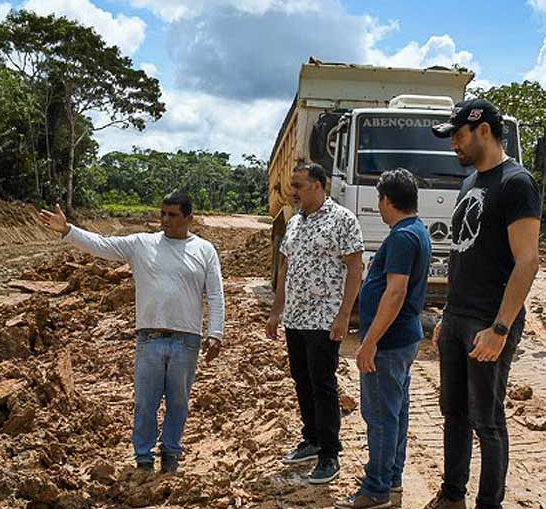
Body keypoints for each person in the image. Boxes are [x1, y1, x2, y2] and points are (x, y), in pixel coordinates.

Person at [402, 99, 541, 509]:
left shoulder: (517, 183)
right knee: (454, 413)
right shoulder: (470, 182)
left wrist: (500, 328)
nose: (455, 145)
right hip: (460, 317)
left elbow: (527, 262)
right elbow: (465, 254)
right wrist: (447, 315)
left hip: (489, 322)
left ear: (482, 130)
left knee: (488, 418)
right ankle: (452, 498)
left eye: (458, 135)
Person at [38, 192, 224, 473]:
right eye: (162, 213)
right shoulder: (141, 244)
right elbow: (101, 244)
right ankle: (144, 458)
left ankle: (171, 455)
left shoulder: (205, 250)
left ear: (189, 218)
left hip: (187, 340)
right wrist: (67, 230)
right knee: (145, 402)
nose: (165, 220)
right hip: (149, 338)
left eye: (172, 215)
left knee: (178, 402)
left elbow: (215, 293)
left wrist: (216, 332)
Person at [334, 169, 431, 509]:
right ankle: (391, 476)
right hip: (402, 337)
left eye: (380, 200)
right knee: (395, 411)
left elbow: (396, 291)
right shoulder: (415, 231)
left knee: (379, 414)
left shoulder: (403, 237)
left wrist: (369, 341)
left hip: (389, 342)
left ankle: (376, 487)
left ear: (387, 200)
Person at [267, 163, 364, 485]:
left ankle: (329, 454)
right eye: (291, 184)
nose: (292, 191)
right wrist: (276, 311)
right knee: (302, 380)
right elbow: (285, 270)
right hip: (295, 317)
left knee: (323, 384)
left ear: (319, 185)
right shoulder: (294, 223)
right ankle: (311, 439)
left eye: (298, 184)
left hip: (324, 318)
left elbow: (354, 269)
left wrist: (344, 315)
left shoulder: (343, 221)